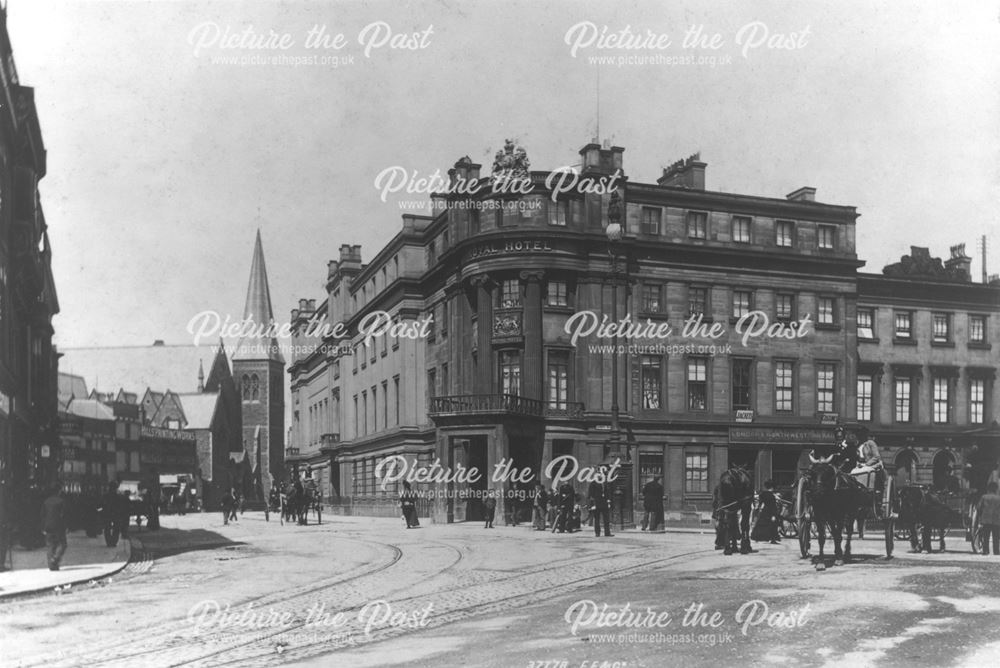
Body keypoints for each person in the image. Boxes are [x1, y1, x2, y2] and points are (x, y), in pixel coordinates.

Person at [41, 482, 67, 571]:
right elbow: (64, 515)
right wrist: (66, 526)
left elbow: (42, 515)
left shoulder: (46, 502)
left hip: (48, 526)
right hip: (58, 526)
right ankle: (55, 559)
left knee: (50, 545)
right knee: (63, 544)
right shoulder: (61, 501)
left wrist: (43, 527)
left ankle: (52, 566)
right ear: (59, 491)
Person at [587, 467, 613, 537]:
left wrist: (608, 501)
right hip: (596, 503)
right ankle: (597, 533)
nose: (600, 475)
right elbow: (590, 495)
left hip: (604, 503)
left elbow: (607, 492)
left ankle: (607, 533)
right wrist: (592, 505)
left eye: (601, 474)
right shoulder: (593, 483)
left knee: (606, 519)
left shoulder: (604, 483)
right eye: (598, 474)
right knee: (597, 519)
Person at [977, 482, 1000, 556]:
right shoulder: (998, 498)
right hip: (996, 520)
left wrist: (980, 517)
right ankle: (996, 551)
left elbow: (979, 508)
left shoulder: (984, 497)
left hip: (986, 519)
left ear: (988, 489)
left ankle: (985, 550)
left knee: (986, 537)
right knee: (996, 537)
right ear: (996, 489)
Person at [100, 481, 125, 547]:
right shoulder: (119, 496)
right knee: (116, 528)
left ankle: (109, 542)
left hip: (107, 513)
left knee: (107, 528)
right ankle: (114, 542)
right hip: (116, 514)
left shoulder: (105, 496)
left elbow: (101, 505)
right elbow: (121, 506)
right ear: (116, 488)